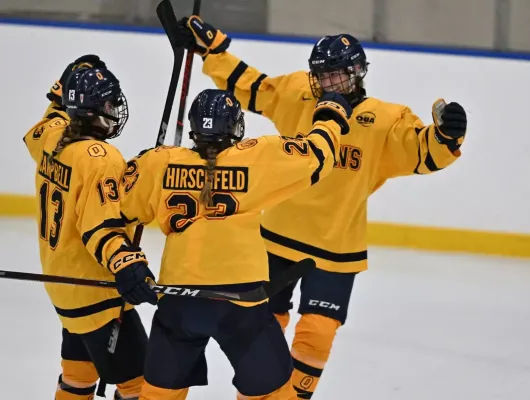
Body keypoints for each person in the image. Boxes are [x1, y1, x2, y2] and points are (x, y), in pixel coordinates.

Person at [180, 16, 469, 398]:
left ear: (358, 72)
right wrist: (216, 53)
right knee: (264, 322)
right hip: (276, 237)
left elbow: (422, 152)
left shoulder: (384, 119)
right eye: (322, 75)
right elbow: (255, 89)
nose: (328, 84)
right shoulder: (298, 92)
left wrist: (447, 135)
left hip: (336, 247)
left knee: (317, 333)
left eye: (337, 75)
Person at [118, 88, 349, 399]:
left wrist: (127, 263)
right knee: (274, 394)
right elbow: (318, 157)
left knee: (158, 395)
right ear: (235, 126)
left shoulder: (159, 161)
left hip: (179, 300)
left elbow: (117, 212)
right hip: (241, 303)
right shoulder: (257, 156)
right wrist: (330, 117)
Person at [23, 55, 157, 400]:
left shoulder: (51, 139)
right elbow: (101, 226)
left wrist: (61, 90)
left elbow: (50, 118)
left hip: (63, 286)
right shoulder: (101, 158)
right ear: (98, 109)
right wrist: (127, 264)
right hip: (95, 290)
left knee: (78, 375)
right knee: (140, 385)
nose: (115, 108)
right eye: (111, 102)